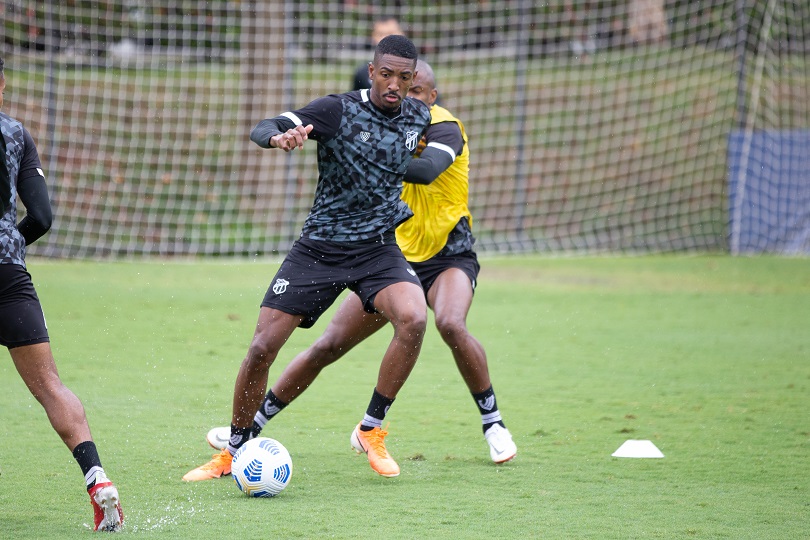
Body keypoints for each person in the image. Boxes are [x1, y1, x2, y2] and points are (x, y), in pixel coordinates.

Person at [204, 60, 517, 465]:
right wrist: (286, 136)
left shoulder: (443, 127)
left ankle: (489, 422)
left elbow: (423, 171)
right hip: (387, 248)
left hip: (444, 254)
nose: (405, 93)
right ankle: (251, 429)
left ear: (430, 97)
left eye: (415, 87)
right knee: (327, 344)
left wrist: (361, 148)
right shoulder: (361, 113)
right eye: (398, 82)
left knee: (447, 322)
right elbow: (274, 124)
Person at [182, 34, 431, 481]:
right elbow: (265, 125)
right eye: (387, 74)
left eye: (404, 77)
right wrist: (278, 137)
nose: (394, 84)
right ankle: (234, 450)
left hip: (377, 250)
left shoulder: (418, 115)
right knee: (261, 348)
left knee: (414, 317)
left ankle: (371, 429)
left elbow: (428, 144)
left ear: (413, 80)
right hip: (319, 248)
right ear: (372, 71)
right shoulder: (337, 109)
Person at [0, 57, 124, 532]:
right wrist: (10, 245)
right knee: (50, 385)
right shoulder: (15, 134)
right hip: (9, 274)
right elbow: (43, 217)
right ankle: (96, 478)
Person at [351, 15, 404, 91]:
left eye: (391, 33)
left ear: (402, 33)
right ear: (373, 37)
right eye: (381, 34)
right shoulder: (363, 74)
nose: (387, 38)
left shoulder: (419, 71)